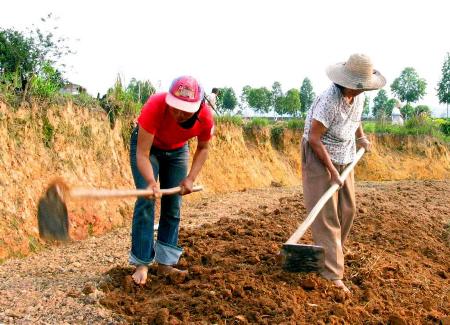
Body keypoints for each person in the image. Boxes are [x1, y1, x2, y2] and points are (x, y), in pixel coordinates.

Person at [302, 54, 386, 293]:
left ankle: (331, 253)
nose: (362, 91)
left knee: (347, 210)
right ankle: (332, 272)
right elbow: (314, 138)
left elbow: (355, 117)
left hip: (345, 153)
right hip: (320, 156)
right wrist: (331, 171)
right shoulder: (329, 100)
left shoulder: (357, 95)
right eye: (359, 86)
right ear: (346, 81)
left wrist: (360, 136)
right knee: (327, 216)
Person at [129, 76, 214, 285]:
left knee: (173, 205)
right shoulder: (155, 106)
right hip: (150, 150)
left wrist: (190, 179)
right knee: (146, 200)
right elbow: (142, 153)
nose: (178, 113)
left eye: (185, 109)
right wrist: (150, 181)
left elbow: (203, 148)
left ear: (197, 106)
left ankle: (166, 263)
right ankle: (142, 263)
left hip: (177, 151)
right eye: (175, 107)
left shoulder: (206, 117)